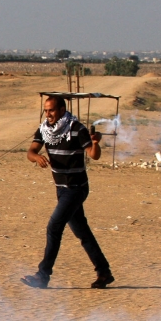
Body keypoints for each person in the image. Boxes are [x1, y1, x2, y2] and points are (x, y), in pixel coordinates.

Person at [21, 95, 113, 289]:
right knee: (82, 232)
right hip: (62, 190)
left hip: (76, 189)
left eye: (52, 110)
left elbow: (93, 156)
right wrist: (36, 157)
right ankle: (104, 272)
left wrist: (96, 143)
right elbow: (30, 152)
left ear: (62, 110)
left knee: (54, 227)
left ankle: (43, 276)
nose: (48, 114)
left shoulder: (76, 129)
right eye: (46, 111)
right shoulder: (45, 130)